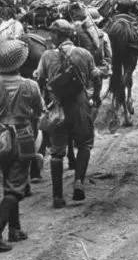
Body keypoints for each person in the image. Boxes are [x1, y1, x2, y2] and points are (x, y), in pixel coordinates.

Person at [0, 38, 45, 252]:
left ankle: (14, 229)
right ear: (20, 63)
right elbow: (39, 114)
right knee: (16, 188)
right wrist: (34, 139)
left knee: (9, 181)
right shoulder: (31, 86)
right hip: (23, 138)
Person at [34, 19, 98, 207]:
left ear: (58, 35)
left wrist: (43, 103)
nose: (50, 36)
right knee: (85, 144)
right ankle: (79, 181)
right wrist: (95, 99)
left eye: (52, 33)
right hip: (80, 106)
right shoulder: (84, 53)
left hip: (58, 107)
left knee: (56, 153)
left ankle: (57, 197)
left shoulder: (47, 56)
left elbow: (39, 81)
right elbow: (96, 77)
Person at [86, 6, 112, 99]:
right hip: (96, 67)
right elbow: (109, 54)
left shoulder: (77, 34)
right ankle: (96, 99)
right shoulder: (103, 35)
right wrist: (108, 63)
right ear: (97, 22)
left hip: (80, 70)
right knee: (97, 84)